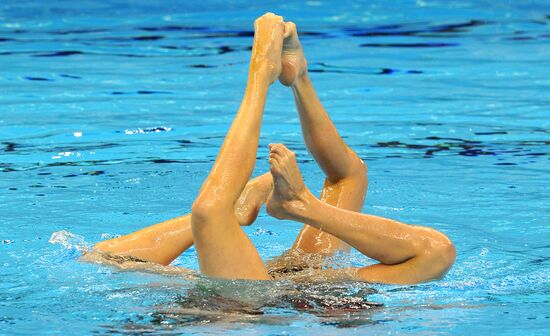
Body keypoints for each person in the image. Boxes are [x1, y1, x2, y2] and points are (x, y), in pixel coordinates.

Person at [90, 13, 455, 285]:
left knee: (107, 256)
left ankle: (270, 208)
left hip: (246, 303)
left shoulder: (234, 313)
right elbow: (433, 250)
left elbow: (207, 209)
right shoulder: (324, 280)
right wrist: (300, 79)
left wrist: (260, 74)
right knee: (350, 177)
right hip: (297, 283)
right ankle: (300, 80)